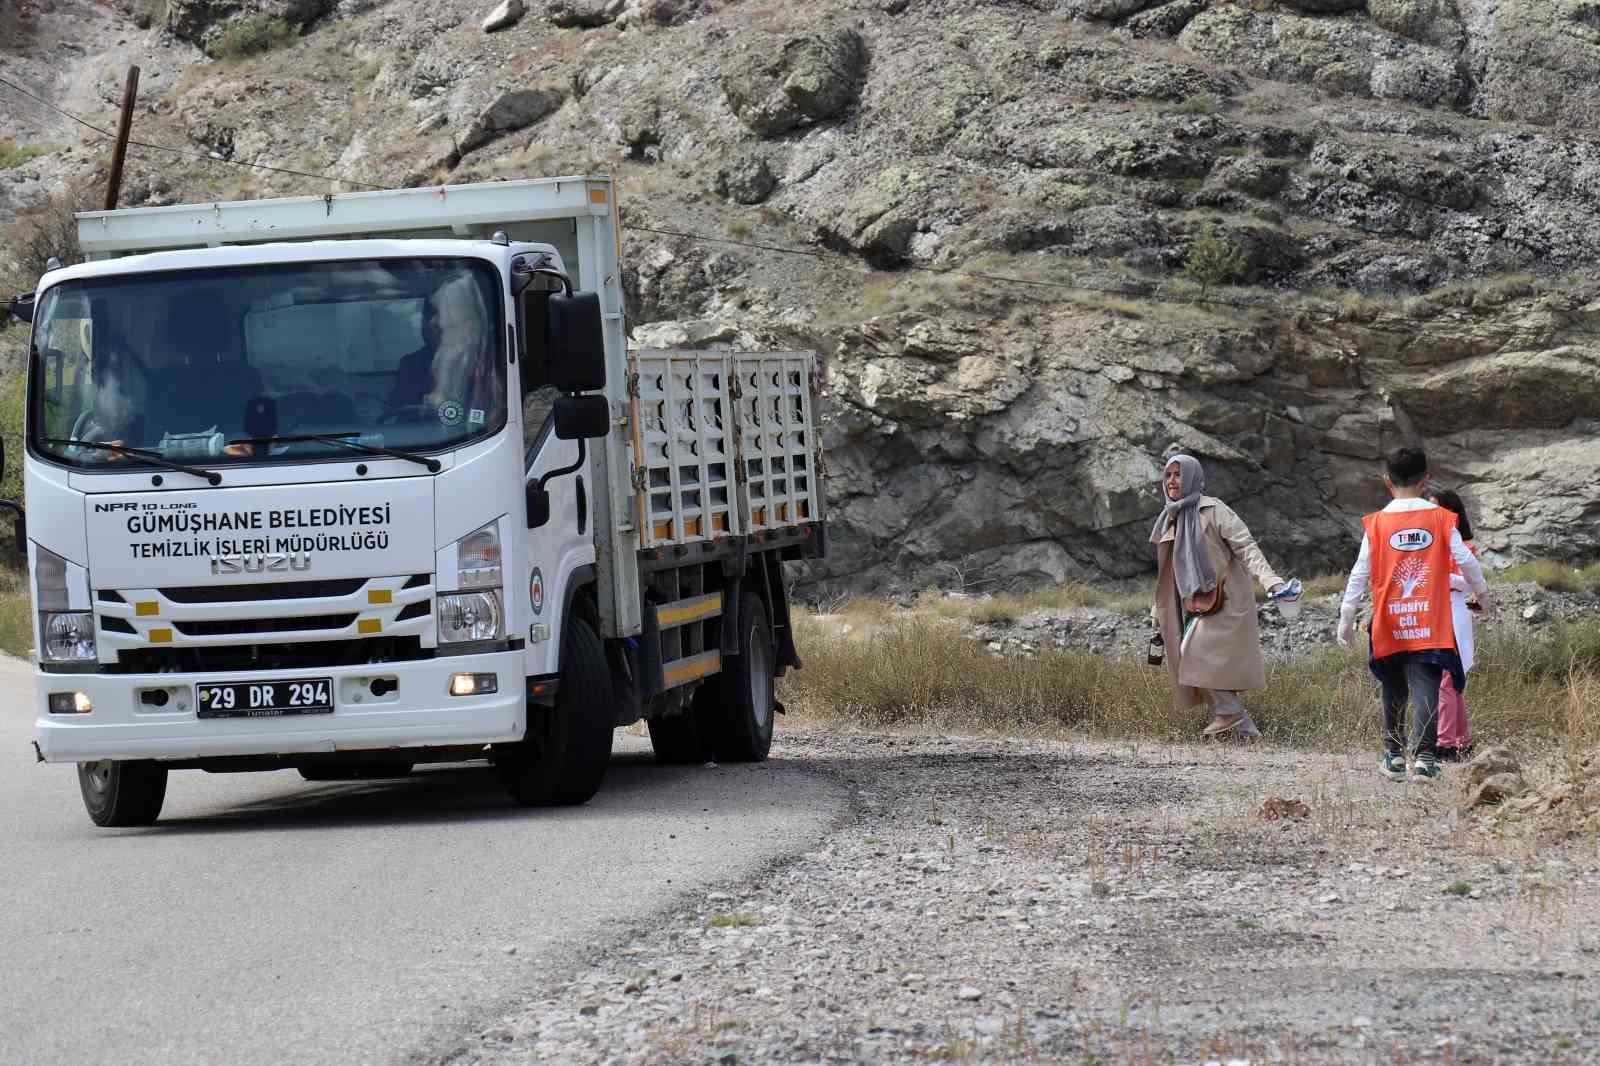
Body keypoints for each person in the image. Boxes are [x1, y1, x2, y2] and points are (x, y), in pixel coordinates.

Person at [1337, 446, 1489, 782]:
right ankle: (1425, 759)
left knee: (1393, 686)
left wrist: (1346, 618)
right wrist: (1482, 595)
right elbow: (1467, 561)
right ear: (1427, 480)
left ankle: (1392, 755)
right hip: (1429, 619)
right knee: (1427, 686)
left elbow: (1359, 573)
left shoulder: (1375, 523)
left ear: (1386, 481)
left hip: (1389, 618)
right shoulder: (1441, 519)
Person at [1150, 454, 1291, 740]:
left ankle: (1229, 713)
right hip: (1191, 602)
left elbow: (1246, 546)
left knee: (1196, 654)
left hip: (1226, 599)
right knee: (1190, 659)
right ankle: (1245, 730)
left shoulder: (1214, 510)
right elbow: (1169, 571)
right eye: (1168, 476)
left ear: (1192, 476)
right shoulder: (1170, 517)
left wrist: (1270, 580)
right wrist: (1157, 609)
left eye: (1178, 475)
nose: (1173, 481)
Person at [1429, 488, 1478, 761]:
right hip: (1437, 613)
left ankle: (1445, 743)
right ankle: (1462, 741)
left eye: (1436, 508)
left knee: (1447, 680)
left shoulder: (1463, 547)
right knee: (1453, 682)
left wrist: (1441, 575)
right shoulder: (1432, 544)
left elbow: (1469, 582)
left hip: (1455, 613)